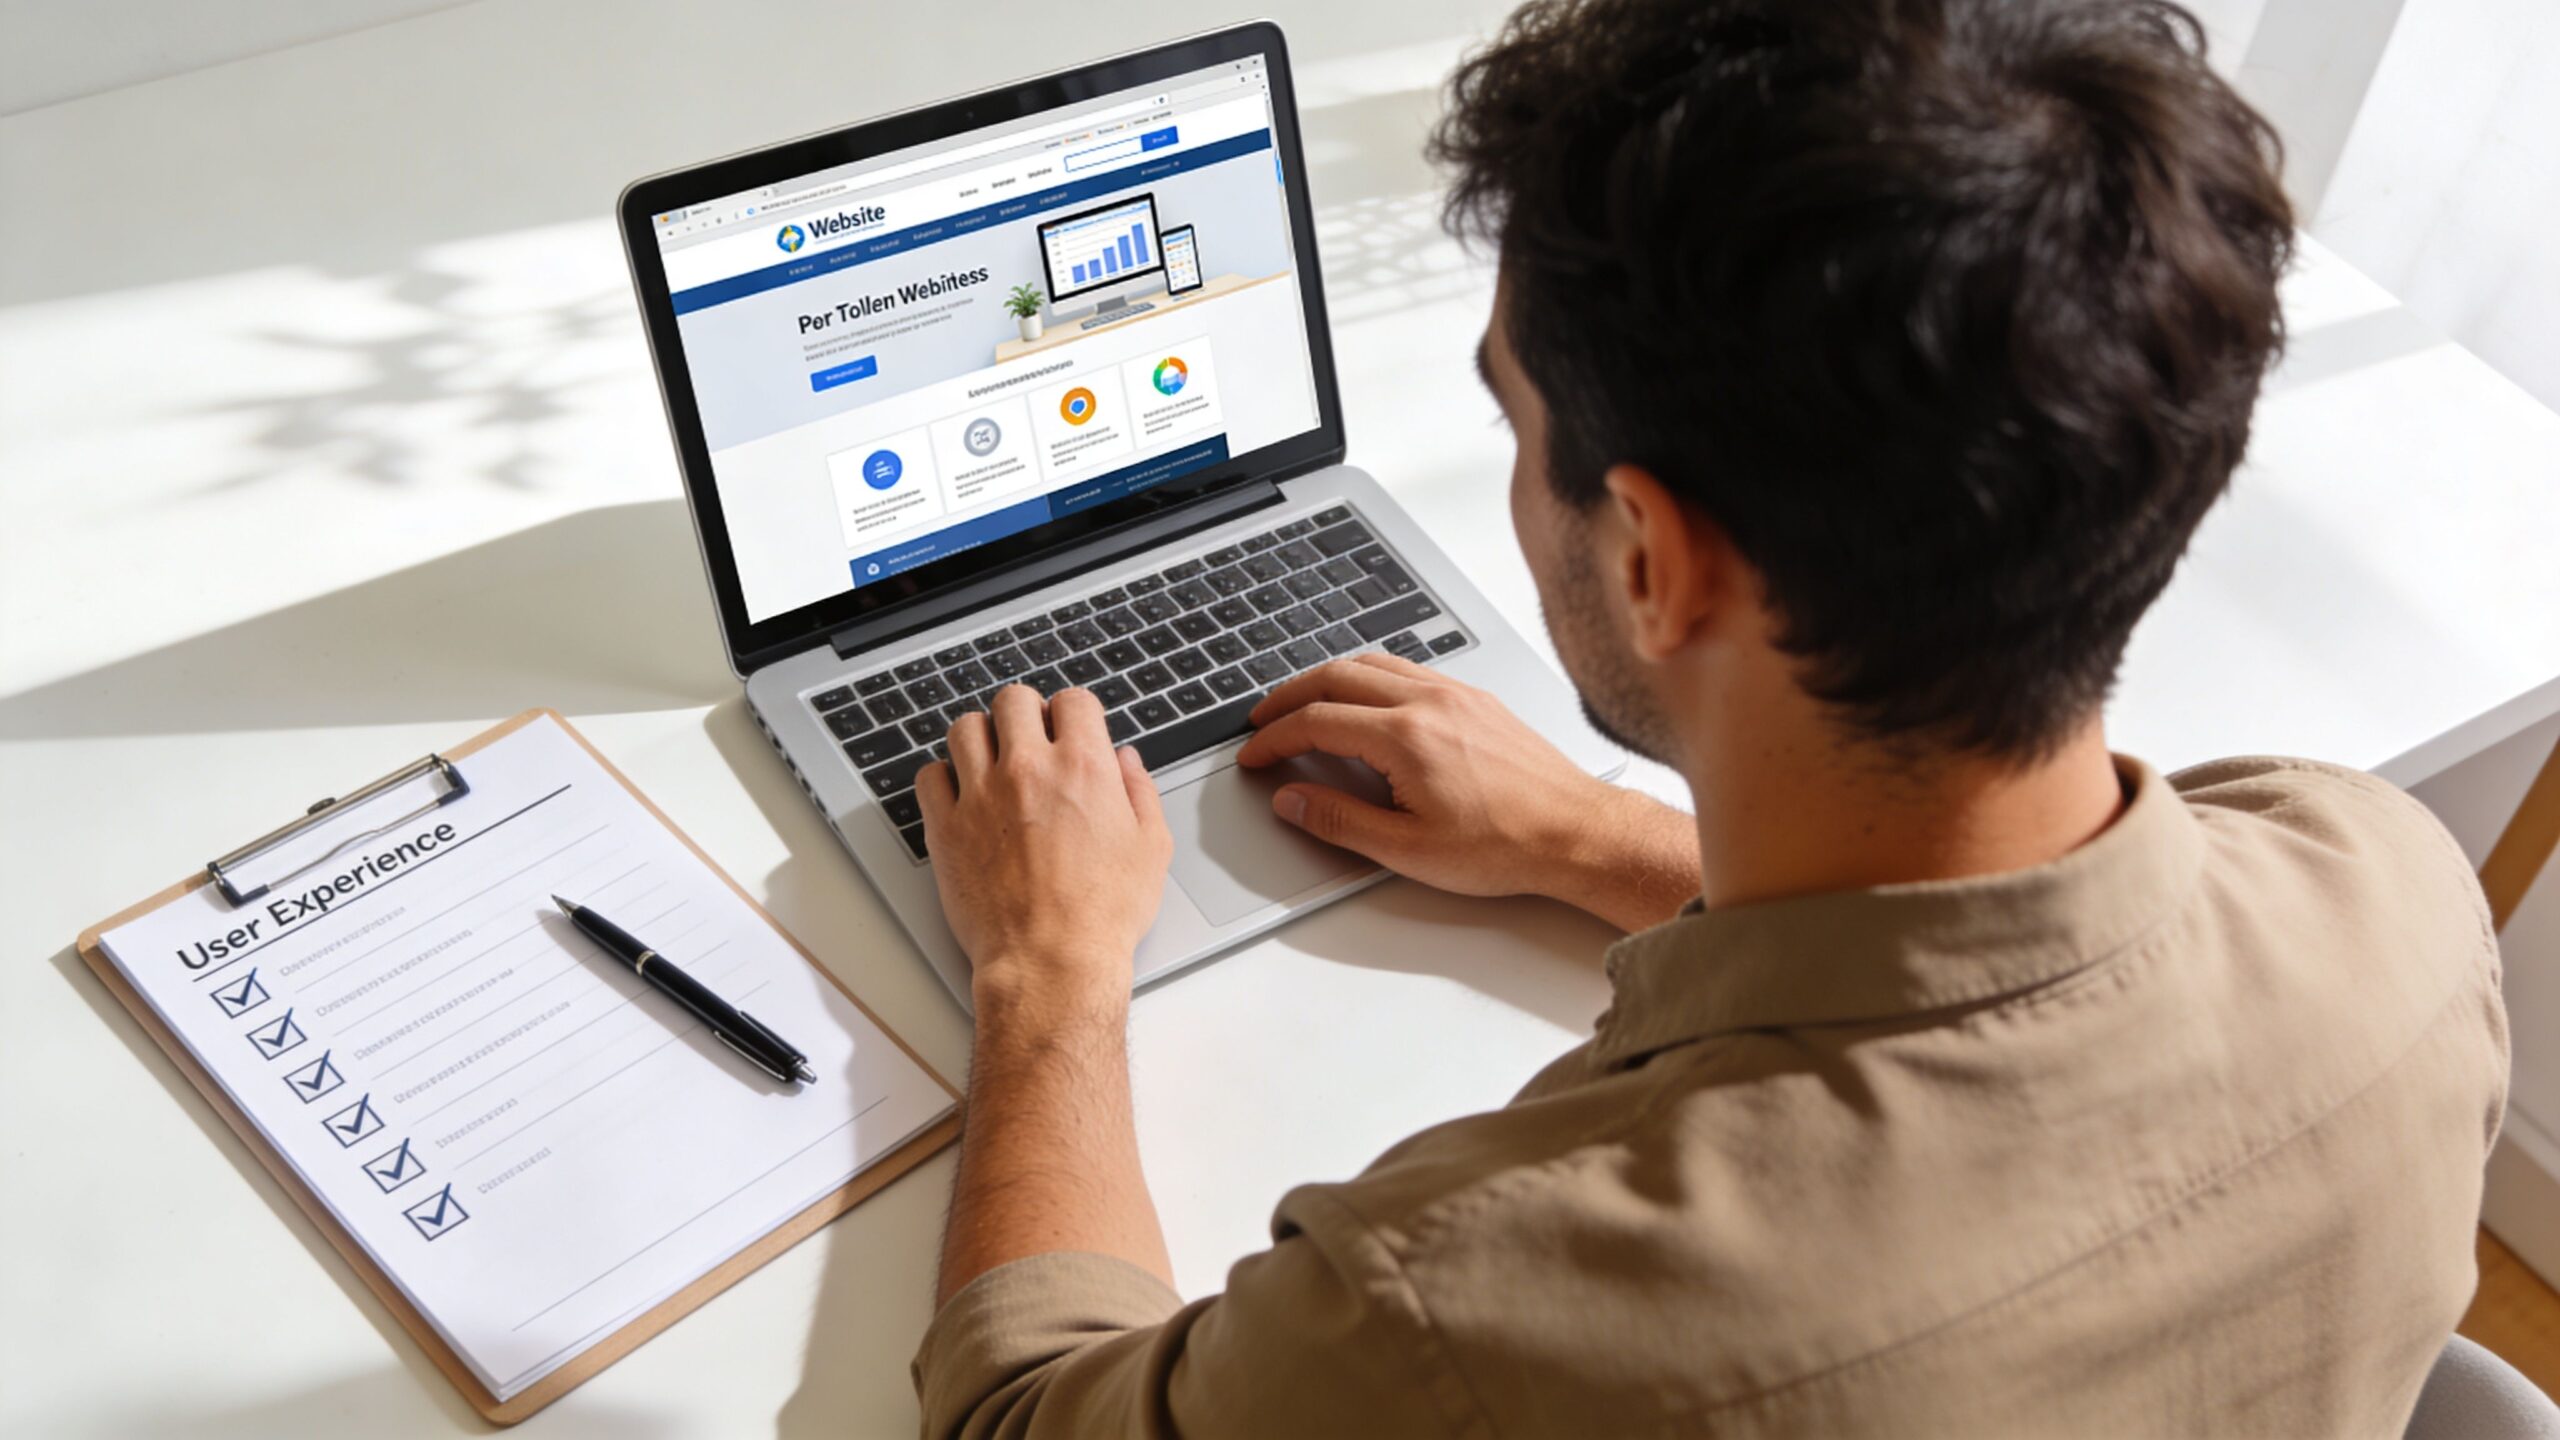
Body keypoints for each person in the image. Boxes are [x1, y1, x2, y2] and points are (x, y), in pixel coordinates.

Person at [905, 0, 2510, 1434]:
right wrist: (1586, 837)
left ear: (1655, 559)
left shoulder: (1463, 1317)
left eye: (1513, 417)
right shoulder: (2392, 890)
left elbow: (1019, 1419)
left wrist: (1048, 971)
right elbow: (2006, 976)